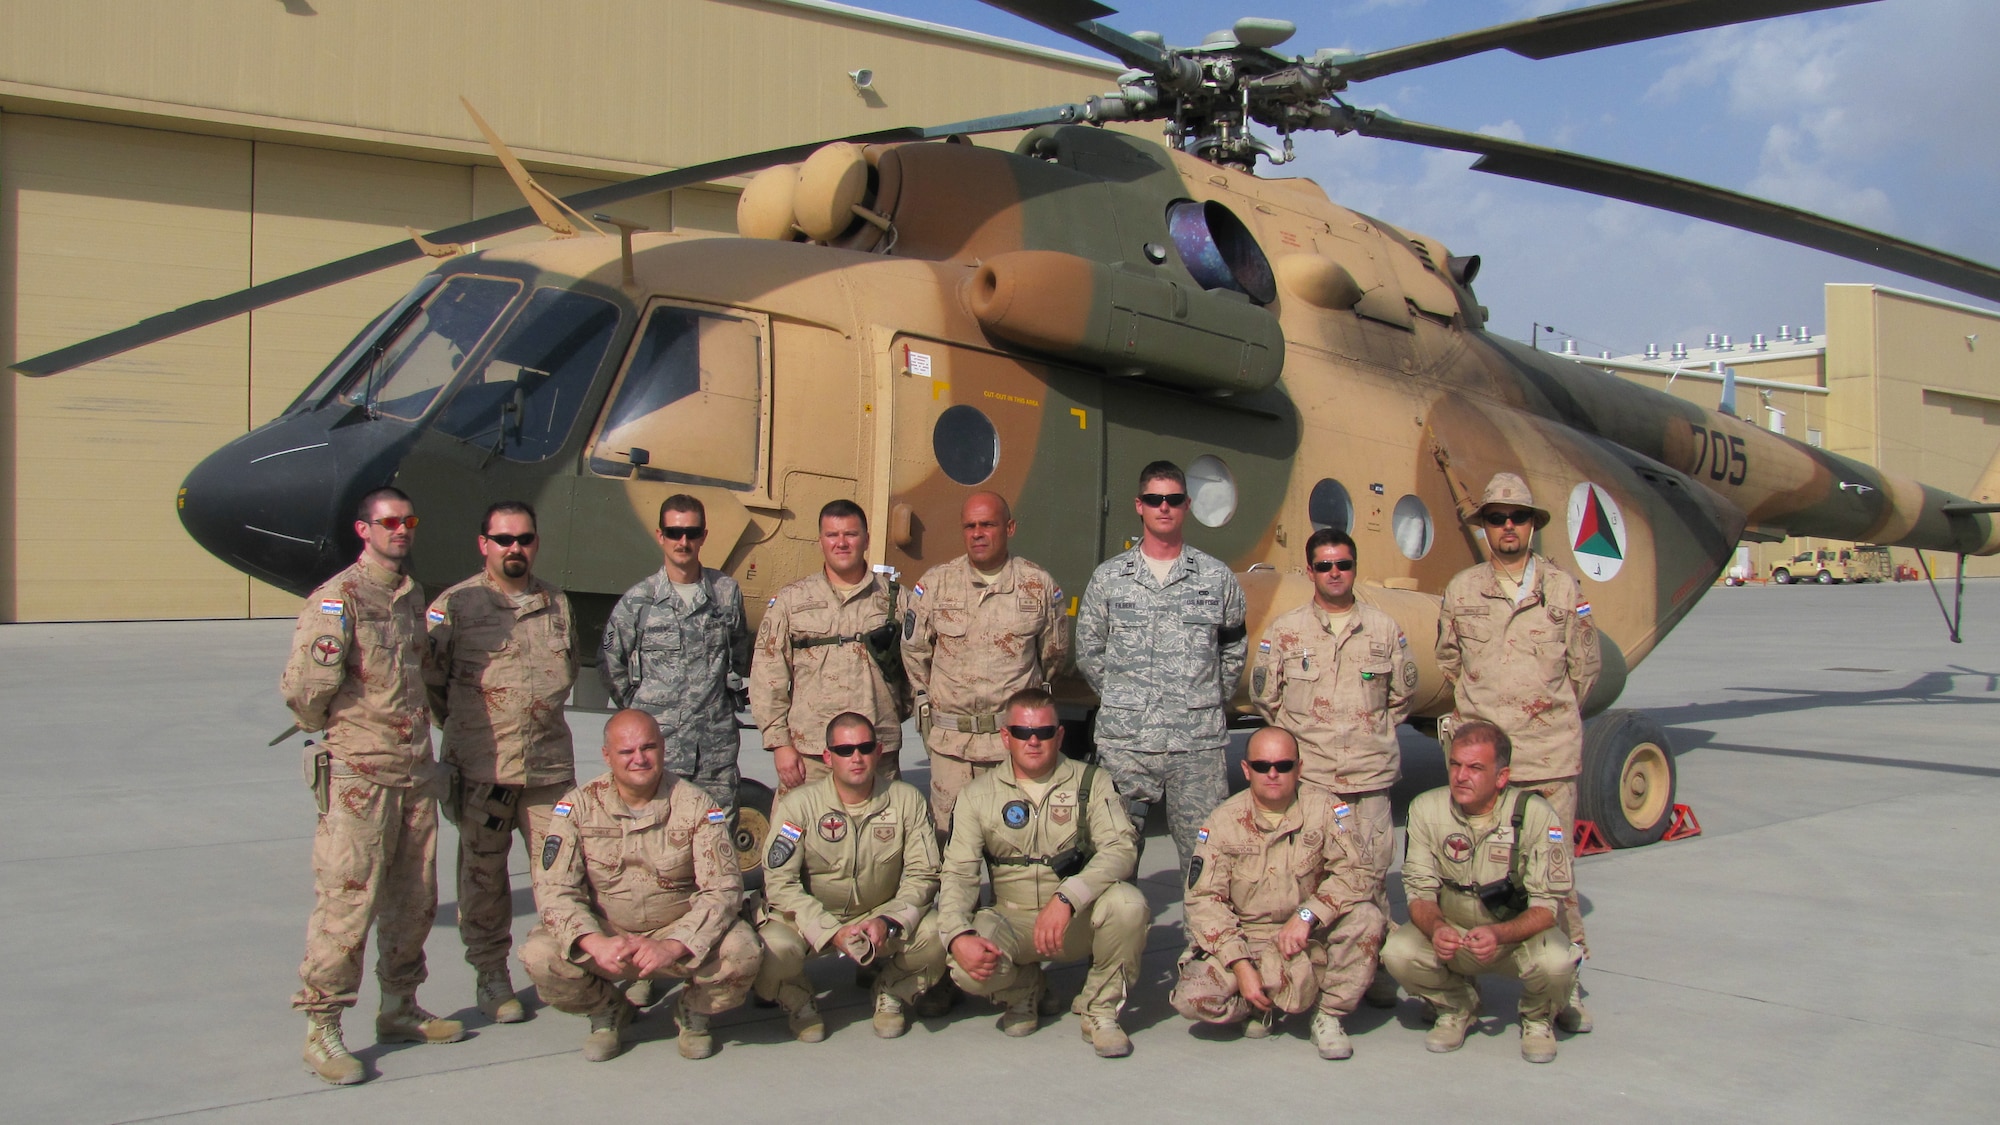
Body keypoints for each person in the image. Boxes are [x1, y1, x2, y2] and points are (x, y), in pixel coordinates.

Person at [281, 486, 461, 1086]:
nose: (401, 530)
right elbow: (306, 694)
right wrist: (349, 733)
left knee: (414, 901)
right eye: (388, 522)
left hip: (414, 773)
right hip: (360, 778)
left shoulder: (411, 596)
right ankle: (322, 1026)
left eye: (408, 520)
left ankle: (400, 1007)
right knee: (347, 903)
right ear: (364, 530)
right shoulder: (339, 600)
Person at [1435, 472, 1602, 1032]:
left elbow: (1586, 669)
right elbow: (1449, 662)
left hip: (1549, 758)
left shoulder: (1564, 590)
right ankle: (1465, 990)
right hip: (1484, 766)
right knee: (1472, 875)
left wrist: (1541, 718)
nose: (1508, 526)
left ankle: (1566, 986)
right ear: (1483, 526)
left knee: (1555, 878)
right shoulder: (1461, 591)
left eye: (1519, 517)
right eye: (1497, 517)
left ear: (1532, 526)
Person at [520, 710, 762, 1063]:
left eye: (648, 747)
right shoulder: (578, 807)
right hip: (607, 936)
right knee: (539, 956)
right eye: (626, 751)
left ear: (663, 748)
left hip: (676, 933)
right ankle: (607, 1011)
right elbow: (554, 891)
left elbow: (723, 890)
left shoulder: (696, 805)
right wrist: (593, 942)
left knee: (744, 951)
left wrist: (673, 944)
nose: (639, 758)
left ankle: (692, 1011)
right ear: (607, 756)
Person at [425, 500, 579, 1026]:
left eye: (525, 539)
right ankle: (492, 976)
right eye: (504, 539)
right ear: (483, 544)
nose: (515, 548)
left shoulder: (556, 602)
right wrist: (470, 730)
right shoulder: (456, 606)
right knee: (483, 879)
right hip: (482, 772)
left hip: (546, 770)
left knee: (561, 873)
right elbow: (432, 685)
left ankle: (563, 968)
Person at [1249, 527, 1416, 1006]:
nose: (1334, 573)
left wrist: (1366, 733)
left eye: (1343, 564)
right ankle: (1317, 971)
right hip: (1315, 782)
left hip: (1369, 780)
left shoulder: (1384, 630)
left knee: (1372, 877)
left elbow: (1402, 696)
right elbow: (1267, 699)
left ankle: (1377, 967)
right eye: (1324, 565)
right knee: (1311, 879)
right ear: (1311, 571)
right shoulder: (1286, 632)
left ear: (1354, 567)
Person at [939, 689, 1147, 1058]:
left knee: (1128, 904)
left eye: (1044, 733)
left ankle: (1100, 1009)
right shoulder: (976, 795)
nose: (1032, 741)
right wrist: (956, 935)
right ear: (1006, 737)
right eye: (1021, 732)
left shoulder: (1091, 783)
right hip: (1012, 920)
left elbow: (1121, 849)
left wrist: (1069, 897)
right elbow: (958, 874)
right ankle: (1024, 988)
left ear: (1060, 735)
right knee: (965, 966)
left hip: (1075, 920)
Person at [1075, 460, 1247, 876]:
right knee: (1114, 859)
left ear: (1187, 505)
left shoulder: (1215, 578)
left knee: (1207, 861)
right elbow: (1088, 650)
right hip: (1126, 746)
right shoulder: (1110, 578)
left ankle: (1205, 940)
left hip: (1197, 749)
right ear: (1139, 506)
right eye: (1154, 499)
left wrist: (1205, 703)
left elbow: (1233, 649)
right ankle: (1121, 940)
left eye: (1172, 499)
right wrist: (1123, 700)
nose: (1163, 507)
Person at [1173, 727, 1383, 1059]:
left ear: (1299, 768)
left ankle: (1327, 1014)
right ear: (1246, 770)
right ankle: (1259, 1004)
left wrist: (1308, 916)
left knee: (1367, 918)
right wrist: (1241, 966)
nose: (1273, 773)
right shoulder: (1224, 821)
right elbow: (1204, 900)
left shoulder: (1325, 809)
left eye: (1284, 766)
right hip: (1250, 939)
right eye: (1262, 766)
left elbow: (1357, 873)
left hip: (1310, 935)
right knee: (1193, 998)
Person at [1382, 721, 1579, 1063]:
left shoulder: (1535, 816)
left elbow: (1547, 909)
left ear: (1502, 777)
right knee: (1397, 952)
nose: (1460, 776)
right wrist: (1437, 928)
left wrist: (1498, 934)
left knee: (1558, 963)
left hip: (1516, 936)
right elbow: (1419, 892)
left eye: (1475, 768)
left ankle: (1537, 1018)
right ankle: (1456, 1006)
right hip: (1456, 932)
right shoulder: (1426, 810)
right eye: (1455, 764)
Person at [754, 712, 946, 1041]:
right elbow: (780, 883)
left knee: (940, 933)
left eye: (864, 747)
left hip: (877, 916)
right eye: (844, 750)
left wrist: (888, 920)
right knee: (765, 950)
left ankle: (891, 990)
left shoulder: (906, 802)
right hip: (811, 918)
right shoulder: (799, 806)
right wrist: (829, 931)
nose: (855, 757)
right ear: (827, 756)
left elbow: (923, 874)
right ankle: (798, 999)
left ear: (878, 751)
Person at [903, 490, 1071, 835]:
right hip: (952, 746)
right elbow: (915, 653)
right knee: (950, 846)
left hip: (1011, 745)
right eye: (970, 526)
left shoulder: (1037, 586)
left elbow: (1052, 656)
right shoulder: (936, 584)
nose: (978, 533)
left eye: (988, 524)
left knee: (1012, 844)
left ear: (1009, 528)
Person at [600, 494, 752, 813]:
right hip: (659, 753)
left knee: (717, 846)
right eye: (674, 532)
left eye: (692, 533)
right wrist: (640, 709)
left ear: (703, 537)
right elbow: (610, 663)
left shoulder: (726, 593)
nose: (683, 541)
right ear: (661, 536)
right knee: (657, 847)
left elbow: (737, 652)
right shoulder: (638, 601)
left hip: (715, 755)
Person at [751, 499, 908, 792]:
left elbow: (917, 668)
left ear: (866, 540)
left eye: (850, 534)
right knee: (799, 834)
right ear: (821, 541)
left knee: (881, 833)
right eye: (832, 535)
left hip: (877, 751)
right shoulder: (792, 601)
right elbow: (766, 676)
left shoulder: (896, 600)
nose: (841, 543)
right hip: (810, 754)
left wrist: (892, 711)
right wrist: (780, 743)